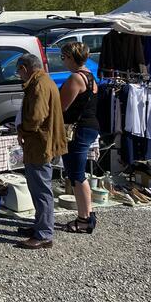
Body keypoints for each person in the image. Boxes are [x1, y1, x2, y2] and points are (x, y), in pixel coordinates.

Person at [15, 54, 67, 250]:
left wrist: (23, 130)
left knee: (41, 188)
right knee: (38, 186)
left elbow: (36, 116)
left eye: (19, 71)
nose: (19, 75)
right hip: (40, 142)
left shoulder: (38, 85)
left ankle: (44, 233)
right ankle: (40, 226)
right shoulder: (44, 81)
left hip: (39, 143)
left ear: (25, 68)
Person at [59, 42, 100, 234]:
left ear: (70, 57)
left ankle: (84, 219)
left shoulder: (76, 78)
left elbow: (61, 107)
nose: (63, 62)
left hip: (78, 130)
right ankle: (88, 213)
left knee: (77, 175)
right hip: (89, 127)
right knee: (77, 173)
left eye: (63, 57)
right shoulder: (91, 77)